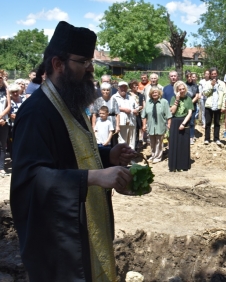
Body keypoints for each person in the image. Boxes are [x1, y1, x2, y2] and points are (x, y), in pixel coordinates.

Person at [10, 21, 136, 282]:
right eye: (84, 62)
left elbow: (73, 154)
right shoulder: (36, 113)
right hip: (58, 235)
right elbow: (32, 177)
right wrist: (94, 178)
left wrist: (107, 156)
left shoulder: (72, 103)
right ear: (58, 64)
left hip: (81, 220)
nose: (91, 69)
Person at [141, 87, 172, 163]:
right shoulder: (148, 102)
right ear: (151, 94)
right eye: (153, 93)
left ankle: (158, 157)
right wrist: (144, 125)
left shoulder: (164, 102)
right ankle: (153, 155)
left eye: (156, 92)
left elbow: (168, 115)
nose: (154, 94)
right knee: (152, 142)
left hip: (160, 125)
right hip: (151, 126)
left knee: (159, 142)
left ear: (159, 93)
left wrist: (169, 125)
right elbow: (144, 115)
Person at [168, 81, 193, 172]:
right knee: (174, 144)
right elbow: (172, 111)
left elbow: (189, 113)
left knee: (183, 144)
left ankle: (183, 165)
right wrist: (177, 100)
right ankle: (174, 165)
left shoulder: (188, 99)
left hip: (184, 121)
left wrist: (183, 124)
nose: (182, 91)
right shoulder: (173, 98)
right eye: (180, 89)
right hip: (175, 121)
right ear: (177, 90)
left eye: (183, 89)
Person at [203, 67, 226, 145]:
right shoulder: (207, 83)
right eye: (212, 74)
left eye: (215, 74)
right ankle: (207, 139)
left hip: (218, 106)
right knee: (208, 123)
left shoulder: (222, 83)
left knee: (217, 123)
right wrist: (211, 86)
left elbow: (224, 95)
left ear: (217, 74)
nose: (214, 76)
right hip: (209, 106)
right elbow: (205, 94)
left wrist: (223, 106)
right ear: (210, 75)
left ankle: (216, 138)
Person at [112, 81, 139, 150]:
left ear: (127, 88)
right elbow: (112, 108)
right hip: (121, 123)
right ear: (118, 88)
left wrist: (136, 110)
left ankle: (131, 157)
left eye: (125, 87)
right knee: (122, 142)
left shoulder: (130, 97)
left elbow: (137, 106)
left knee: (131, 141)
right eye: (121, 87)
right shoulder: (114, 97)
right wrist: (123, 109)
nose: (123, 89)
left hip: (132, 122)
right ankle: (123, 158)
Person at [92, 82, 120, 147]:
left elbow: (117, 114)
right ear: (101, 91)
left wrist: (117, 126)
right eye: (104, 90)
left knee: (113, 143)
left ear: (110, 91)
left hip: (112, 123)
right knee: (101, 142)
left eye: (107, 90)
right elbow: (94, 114)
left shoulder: (114, 100)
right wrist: (93, 126)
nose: (106, 91)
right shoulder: (97, 100)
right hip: (100, 125)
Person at [8, 83, 25, 160]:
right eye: (13, 92)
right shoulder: (8, 101)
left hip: (24, 125)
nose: (15, 93)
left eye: (16, 91)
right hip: (12, 125)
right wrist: (10, 115)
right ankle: (14, 158)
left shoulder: (24, 99)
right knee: (13, 143)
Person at [128, 80, 145, 149]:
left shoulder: (140, 95)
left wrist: (137, 109)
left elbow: (142, 105)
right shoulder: (127, 94)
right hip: (129, 115)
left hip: (138, 115)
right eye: (135, 85)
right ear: (131, 86)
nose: (136, 87)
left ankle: (136, 146)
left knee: (137, 130)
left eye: (137, 85)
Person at [0, 74, 10, 177]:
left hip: (3, 122)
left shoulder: (5, 90)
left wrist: (1, 116)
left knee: (2, 146)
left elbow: (9, 106)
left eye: (0, 78)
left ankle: (1, 168)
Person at [186, 72, 199, 145]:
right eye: (188, 77)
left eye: (190, 76)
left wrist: (190, 103)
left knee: (191, 122)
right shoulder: (184, 85)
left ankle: (191, 137)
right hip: (184, 106)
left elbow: (197, 96)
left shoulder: (195, 86)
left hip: (193, 106)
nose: (189, 78)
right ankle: (185, 135)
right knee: (185, 121)